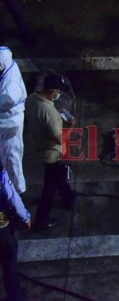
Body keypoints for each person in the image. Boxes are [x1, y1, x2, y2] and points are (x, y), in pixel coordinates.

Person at [25, 73, 76, 230]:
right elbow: (60, 139)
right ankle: (41, 219)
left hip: (39, 146)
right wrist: (71, 126)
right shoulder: (49, 112)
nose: (59, 94)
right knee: (50, 187)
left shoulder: (32, 98)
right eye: (58, 91)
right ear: (52, 91)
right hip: (51, 153)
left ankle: (69, 198)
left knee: (58, 177)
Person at [0, 167, 31, 301]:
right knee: (9, 264)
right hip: (2, 231)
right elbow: (12, 197)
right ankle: (15, 297)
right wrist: (25, 218)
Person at [0, 46, 27, 194]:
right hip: (7, 122)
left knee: (11, 158)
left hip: (9, 124)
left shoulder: (10, 90)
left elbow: (5, 101)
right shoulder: (8, 66)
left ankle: (17, 191)